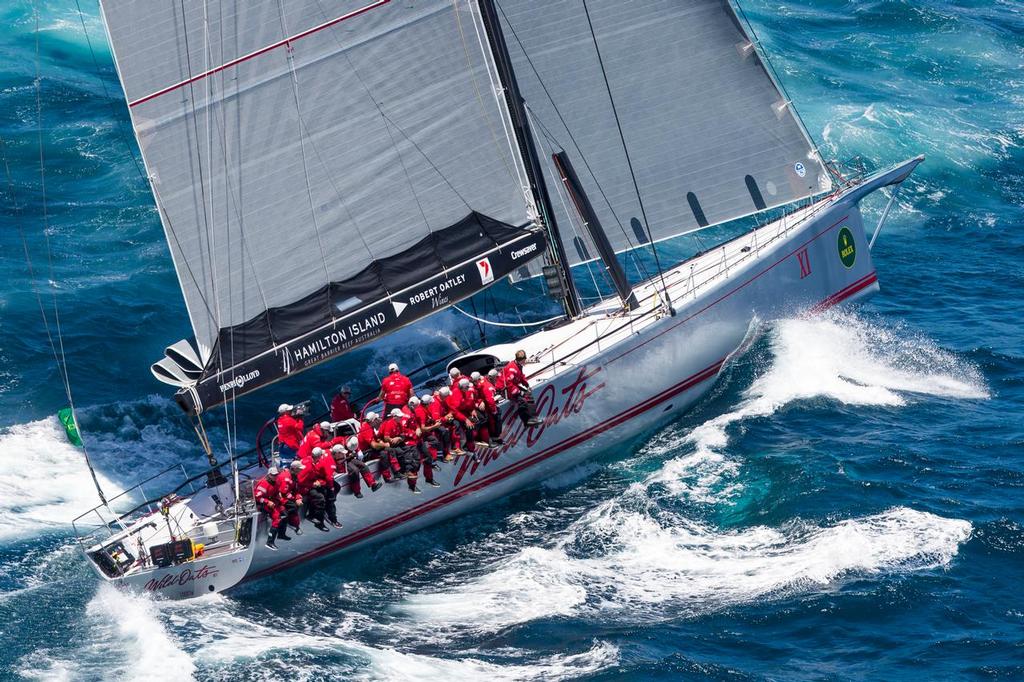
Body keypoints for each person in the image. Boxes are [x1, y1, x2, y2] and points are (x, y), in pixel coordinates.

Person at [358, 411, 402, 482]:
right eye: (377, 419)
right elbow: (374, 445)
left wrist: (380, 441)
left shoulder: (369, 426)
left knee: (390, 450)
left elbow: (376, 438)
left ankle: (397, 471)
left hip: (371, 449)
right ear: (374, 420)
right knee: (384, 453)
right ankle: (387, 477)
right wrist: (384, 444)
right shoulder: (366, 429)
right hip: (366, 453)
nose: (378, 420)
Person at [503, 350, 542, 427]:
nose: (525, 361)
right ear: (521, 360)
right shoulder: (512, 369)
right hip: (506, 389)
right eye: (524, 360)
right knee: (522, 401)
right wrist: (519, 392)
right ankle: (526, 421)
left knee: (528, 395)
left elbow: (521, 376)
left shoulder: (519, 365)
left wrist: (527, 385)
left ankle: (533, 417)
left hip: (513, 386)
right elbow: (509, 384)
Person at [254, 467, 286, 549]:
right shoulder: (263, 484)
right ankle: (270, 542)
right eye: (273, 475)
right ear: (269, 475)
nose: (275, 476)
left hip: (272, 501)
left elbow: (276, 491)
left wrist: (279, 496)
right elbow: (257, 497)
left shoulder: (276, 481)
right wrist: (267, 502)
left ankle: (281, 534)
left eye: (276, 475)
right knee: (277, 518)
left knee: (284, 513)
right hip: (262, 504)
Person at [293, 458, 328, 532]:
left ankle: (324, 514)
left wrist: (318, 482)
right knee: (319, 498)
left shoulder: (310, 466)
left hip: (308, 487)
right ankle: (317, 520)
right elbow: (300, 483)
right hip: (302, 490)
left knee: (324, 491)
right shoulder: (305, 470)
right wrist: (312, 484)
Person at [314, 446, 343, 528]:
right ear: (336, 454)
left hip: (320, 475)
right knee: (331, 497)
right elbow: (329, 478)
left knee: (337, 487)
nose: (342, 456)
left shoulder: (327, 452)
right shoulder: (331, 463)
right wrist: (331, 488)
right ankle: (332, 519)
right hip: (318, 479)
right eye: (341, 454)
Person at [275, 462, 304, 536]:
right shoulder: (286, 478)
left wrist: (298, 498)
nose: (301, 471)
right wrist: (295, 499)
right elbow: (284, 492)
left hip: (285, 495)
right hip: (278, 497)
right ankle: (294, 525)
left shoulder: (294, 476)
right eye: (299, 469)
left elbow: (295, 490)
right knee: (293, 506)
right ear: (294, 469)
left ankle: (295, 522)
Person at [474, 371, 502, 446]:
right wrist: (494, 411)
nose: (497, 379)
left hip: (481, 406)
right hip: (484, 408)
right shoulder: (487, 386)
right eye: (496, 377)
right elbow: (490, 401)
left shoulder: (483, 382)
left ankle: (492, 437)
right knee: (495, 416)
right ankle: (494, 436)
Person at [437, 386, 467, 457]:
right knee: (446, 430)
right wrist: (446, 418)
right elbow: (436, 419)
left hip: (444, 419)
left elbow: (452, 409)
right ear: (444, 396)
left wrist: (449, 414)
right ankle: (448, 452)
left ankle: (456, 447)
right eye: (447, 396)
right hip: (438, 424)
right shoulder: (436, 403)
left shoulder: (443, 400)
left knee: (456, 423)